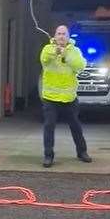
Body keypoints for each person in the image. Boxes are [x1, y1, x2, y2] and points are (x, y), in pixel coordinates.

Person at [40, 25, 92, 168]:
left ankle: (82, 152)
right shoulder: (48, 49)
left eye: (64, 34)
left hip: (69, 98)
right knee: (49, 126)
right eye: (59, 34)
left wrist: (65, 55)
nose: (61, 36)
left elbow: (80, 65)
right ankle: (48, 155)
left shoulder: (74, 51)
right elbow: (44, 59)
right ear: (55, 36)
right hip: (50, 97)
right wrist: (55, 52)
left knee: (76, 126)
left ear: (68, 37)